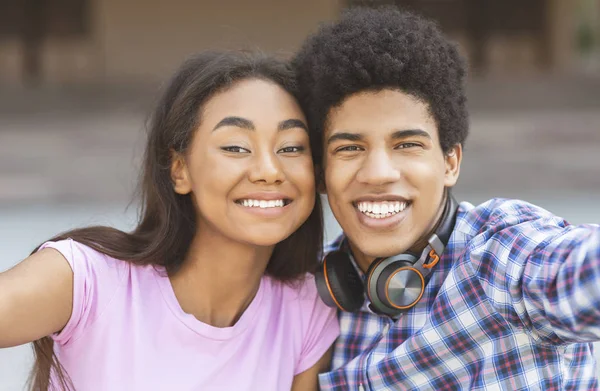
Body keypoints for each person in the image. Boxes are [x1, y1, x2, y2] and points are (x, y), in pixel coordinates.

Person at [293, 7, 600, 390]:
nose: (378, 173)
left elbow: (581, 271)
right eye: (350, 148)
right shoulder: (306, 296)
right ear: (321, 174)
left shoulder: (500, 256)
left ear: (450, 162)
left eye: (406, 144)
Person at [0, 50, 339, 391]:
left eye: (292, 148)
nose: (269, 171)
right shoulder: (88, 279)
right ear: (179, 170)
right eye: (236, 147)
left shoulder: (305, 310)